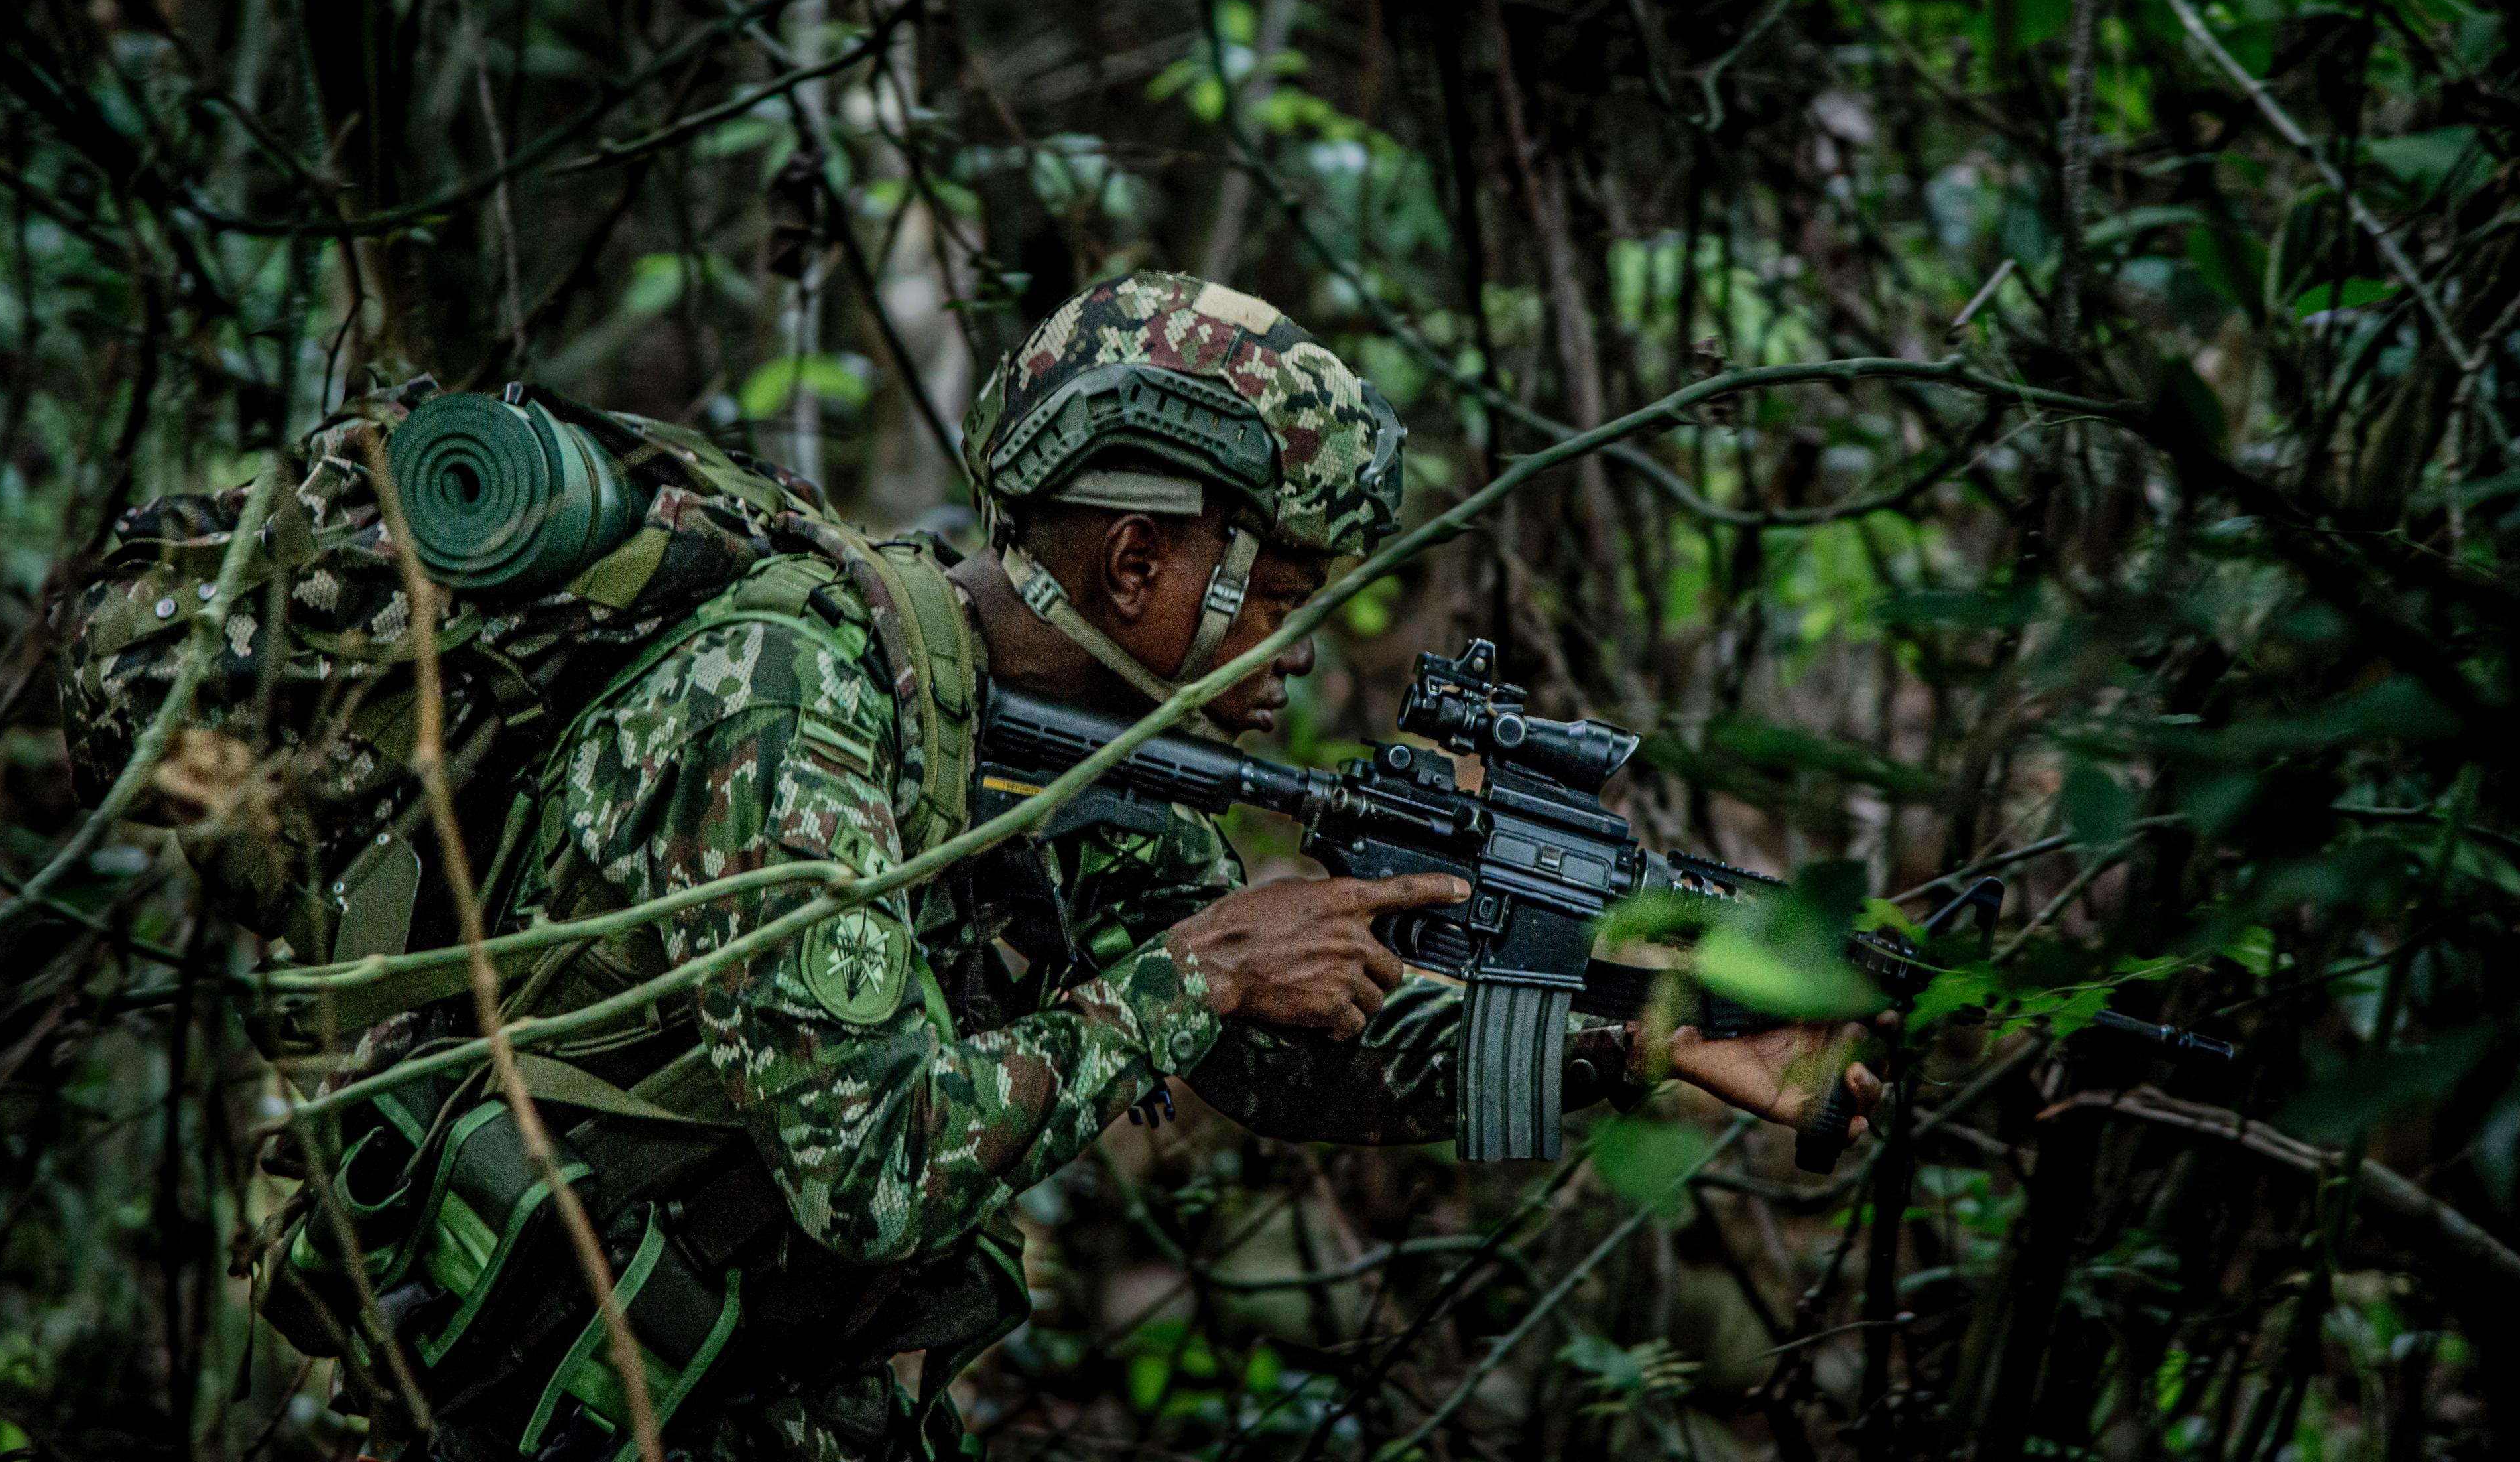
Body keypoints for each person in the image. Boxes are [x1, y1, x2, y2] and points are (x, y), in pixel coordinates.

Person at [424, 271, 1883, 1461]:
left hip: (764, 1393)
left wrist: (1638, 1042)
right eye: (1286, 597)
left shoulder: (1068, 749)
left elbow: (1275, 1055)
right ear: (1137, 562)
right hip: (557, 1397)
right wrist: (1204, 966)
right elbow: (880, 1171)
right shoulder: (786, 700)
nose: (1300, 654)